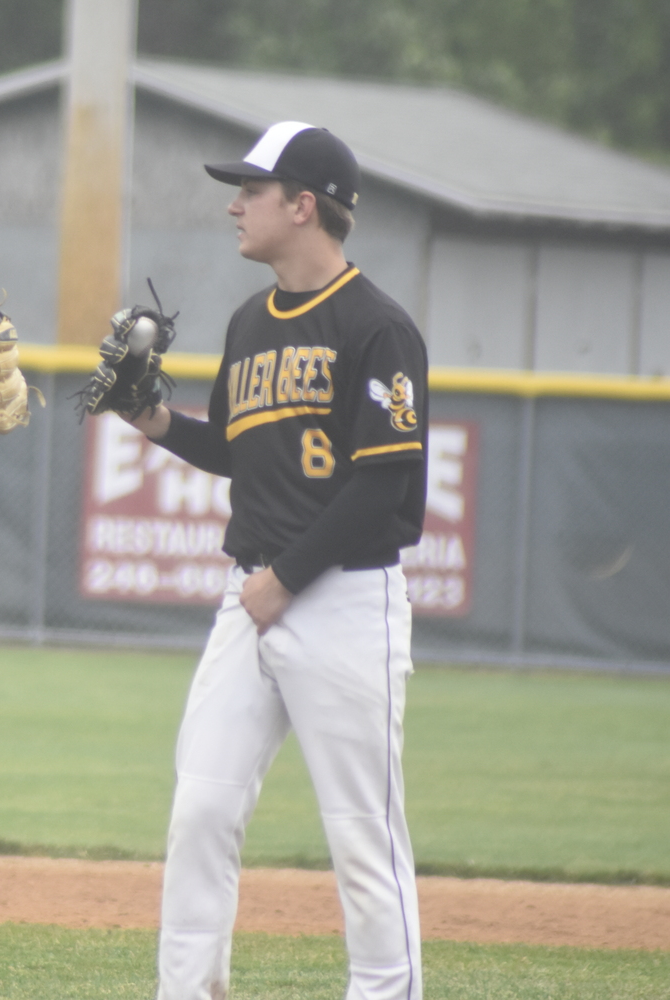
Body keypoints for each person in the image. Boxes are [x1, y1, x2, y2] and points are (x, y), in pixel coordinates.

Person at [122, 122, 427, 999]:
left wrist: (284, 579)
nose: (235, 203)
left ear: (303, 206)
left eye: (251, 191)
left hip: (341, 598)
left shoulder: (378, 326)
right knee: (201, 809)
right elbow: (235, 450)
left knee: (362, 832)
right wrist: (152, 421)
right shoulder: (250, 322)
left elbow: (384, 483)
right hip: (251, 596)